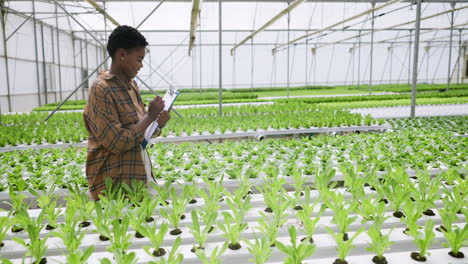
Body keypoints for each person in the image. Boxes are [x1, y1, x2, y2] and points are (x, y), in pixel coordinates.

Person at [83, 25, 170, 200]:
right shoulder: (101, 89)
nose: (141, 65)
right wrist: (150, 116)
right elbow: (118, 142)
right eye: (139, 59)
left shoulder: (131, 85)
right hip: (114, 185)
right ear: (122, 54)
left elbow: (140, 131)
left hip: (137, 174)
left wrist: (158, 123)